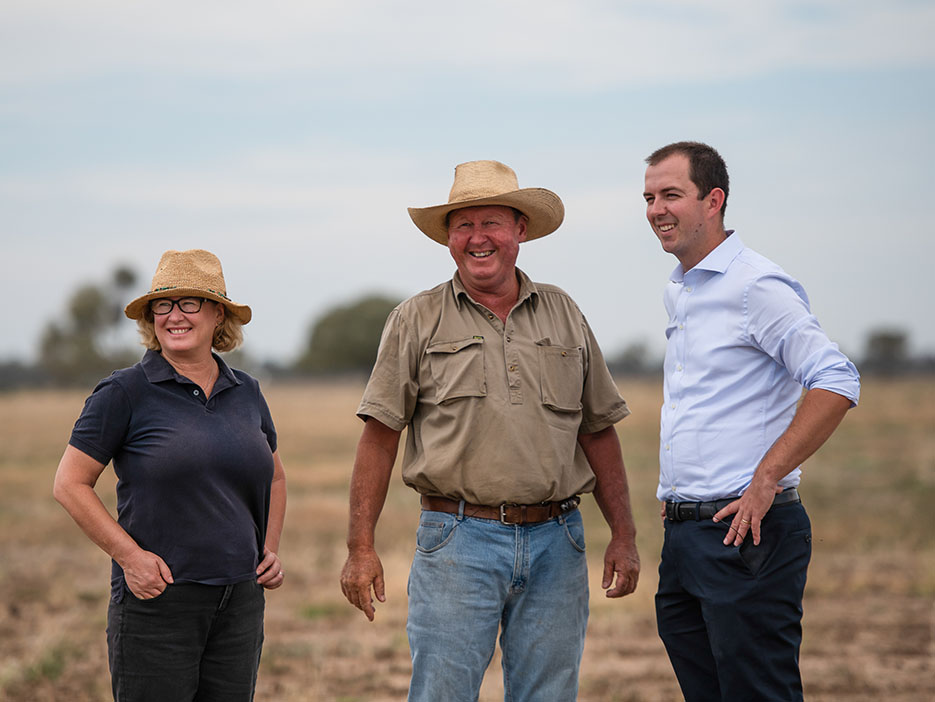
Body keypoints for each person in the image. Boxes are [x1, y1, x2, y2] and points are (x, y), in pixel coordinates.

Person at [339, 160, 640, 701]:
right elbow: (380, 437)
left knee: (549, 694)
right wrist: (361, 546)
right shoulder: (416, 318)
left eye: (492, 223)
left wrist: (625, 535)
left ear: (520, 230)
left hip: (558, 541)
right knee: (443, 694)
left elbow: (597, 431)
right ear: (449, 239)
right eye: (463, 226)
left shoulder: (564, 313)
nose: (478, 238)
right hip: (457, 539)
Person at [642, 141, 860, 701]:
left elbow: (835, 379)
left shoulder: (755, 285)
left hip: (748, 535)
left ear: (713, 200)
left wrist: (766, 479)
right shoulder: (681, 290)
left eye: (671, 195)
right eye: (648, 197)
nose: (656, 209)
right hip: (686, 535)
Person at [53, 249, 286, 702]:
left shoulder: (247, 391)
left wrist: (269, 547)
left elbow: (275, 477)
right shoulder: (124, 391)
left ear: (218, 314)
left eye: (189, 303)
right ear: (150, 317)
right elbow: (69, 484)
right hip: (158, 602)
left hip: (239, 602)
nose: (174, 316)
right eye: (163, 304)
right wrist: (130, 558)